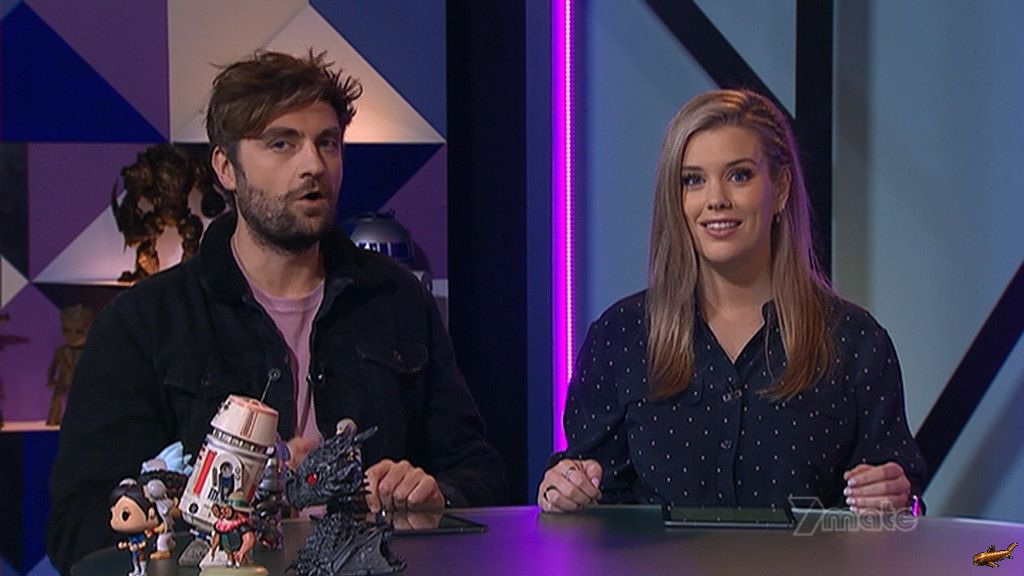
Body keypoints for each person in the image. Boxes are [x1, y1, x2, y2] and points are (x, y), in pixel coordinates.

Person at [47, 49, 506, 574]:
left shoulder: (397, 301)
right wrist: (214, 508)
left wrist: (433, 494)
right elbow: (78, 527)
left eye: (327, 143)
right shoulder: (145, 323)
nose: (314, 165)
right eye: (282, 143)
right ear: (226, 167)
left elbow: (480, 473)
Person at [538, 89, 927, 515]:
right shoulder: (621, 336)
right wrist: (564, 491)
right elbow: (593, 500)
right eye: (693, 180)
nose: (716, 199)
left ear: (781, 188)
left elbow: (900, 506)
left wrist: (897, 500)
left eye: (739, 176)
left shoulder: (854, 341)